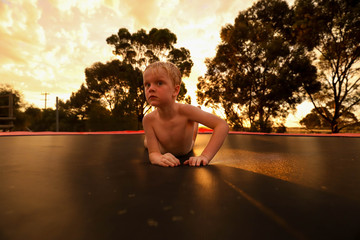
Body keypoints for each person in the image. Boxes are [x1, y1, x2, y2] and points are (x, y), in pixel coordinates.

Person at [142, 61, 229, 167]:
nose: (151, 88)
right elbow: (153, 154)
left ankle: (196, 117)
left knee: (192, 138)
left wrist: (205, 156)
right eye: (147, 84)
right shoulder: (148, 120)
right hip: (162, 147)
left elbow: (222, 125)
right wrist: (158, 157)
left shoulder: (185, 111)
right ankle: (195, 118)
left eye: (159, 83)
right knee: (147, 143)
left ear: (175, 90)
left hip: (187, 147)